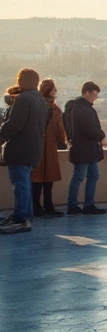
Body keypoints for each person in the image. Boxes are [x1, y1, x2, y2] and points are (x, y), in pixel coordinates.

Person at [0, 69, 49, 234]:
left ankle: (21, 218)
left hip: (20, 149)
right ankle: (24, 217)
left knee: (20, 184)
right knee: (25, 184)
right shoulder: (41, 100)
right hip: (34, 149)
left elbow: (14, 125)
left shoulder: (24, 99)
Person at [64, 80, 107, 215]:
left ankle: (78, 205)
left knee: (86, 176)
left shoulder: (74, 108)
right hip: (87, 150)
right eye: (94, 94)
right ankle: (81, 205)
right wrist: (101, 134)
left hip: (82, 149)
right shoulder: (85, 109)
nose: (96, 97)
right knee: (83, 176)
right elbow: (91, 130)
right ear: (87, 92)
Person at [31, 79, 67, 218]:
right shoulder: (52, 108)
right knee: (45, 179)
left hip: (40, 147)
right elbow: (59, 129)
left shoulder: (37, 105)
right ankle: (46, 206)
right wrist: (62, 142)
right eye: (53, 89)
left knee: (39, 178)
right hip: (46, 147)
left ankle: (39, 206)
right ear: (48, 91)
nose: (55, 91)